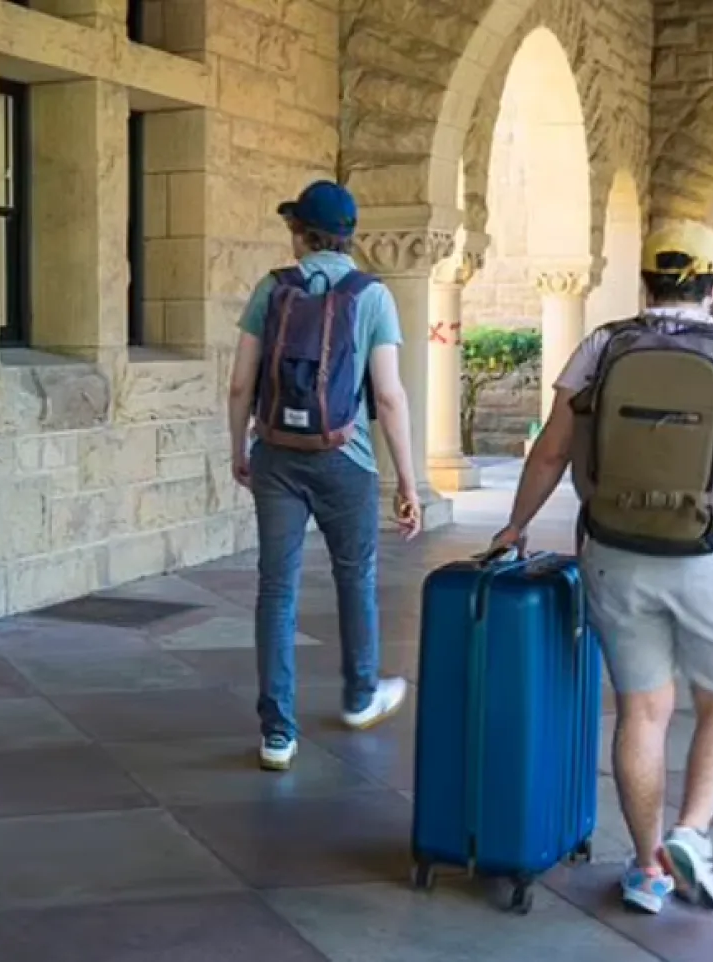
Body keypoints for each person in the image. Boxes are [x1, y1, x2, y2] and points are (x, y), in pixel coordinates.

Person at [488, 219, 713, 915]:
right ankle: (692, 830)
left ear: (646, 278)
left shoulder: (601, 346)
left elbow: (552, 451)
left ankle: (648, 867)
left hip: (614, 552)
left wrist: (516, 523)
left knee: (643, 712)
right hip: (712, 553)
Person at [227, 180, 423, 773]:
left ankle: (277, 734)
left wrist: (239, 447)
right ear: (349, 235)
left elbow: (240, 382)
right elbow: (388, 397)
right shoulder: (373, 296)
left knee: (276, 589)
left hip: (276, 456)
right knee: (354, 577)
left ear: (299, 233)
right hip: (348, 458)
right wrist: (409, 485)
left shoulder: (272, 288)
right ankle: (362, 695)